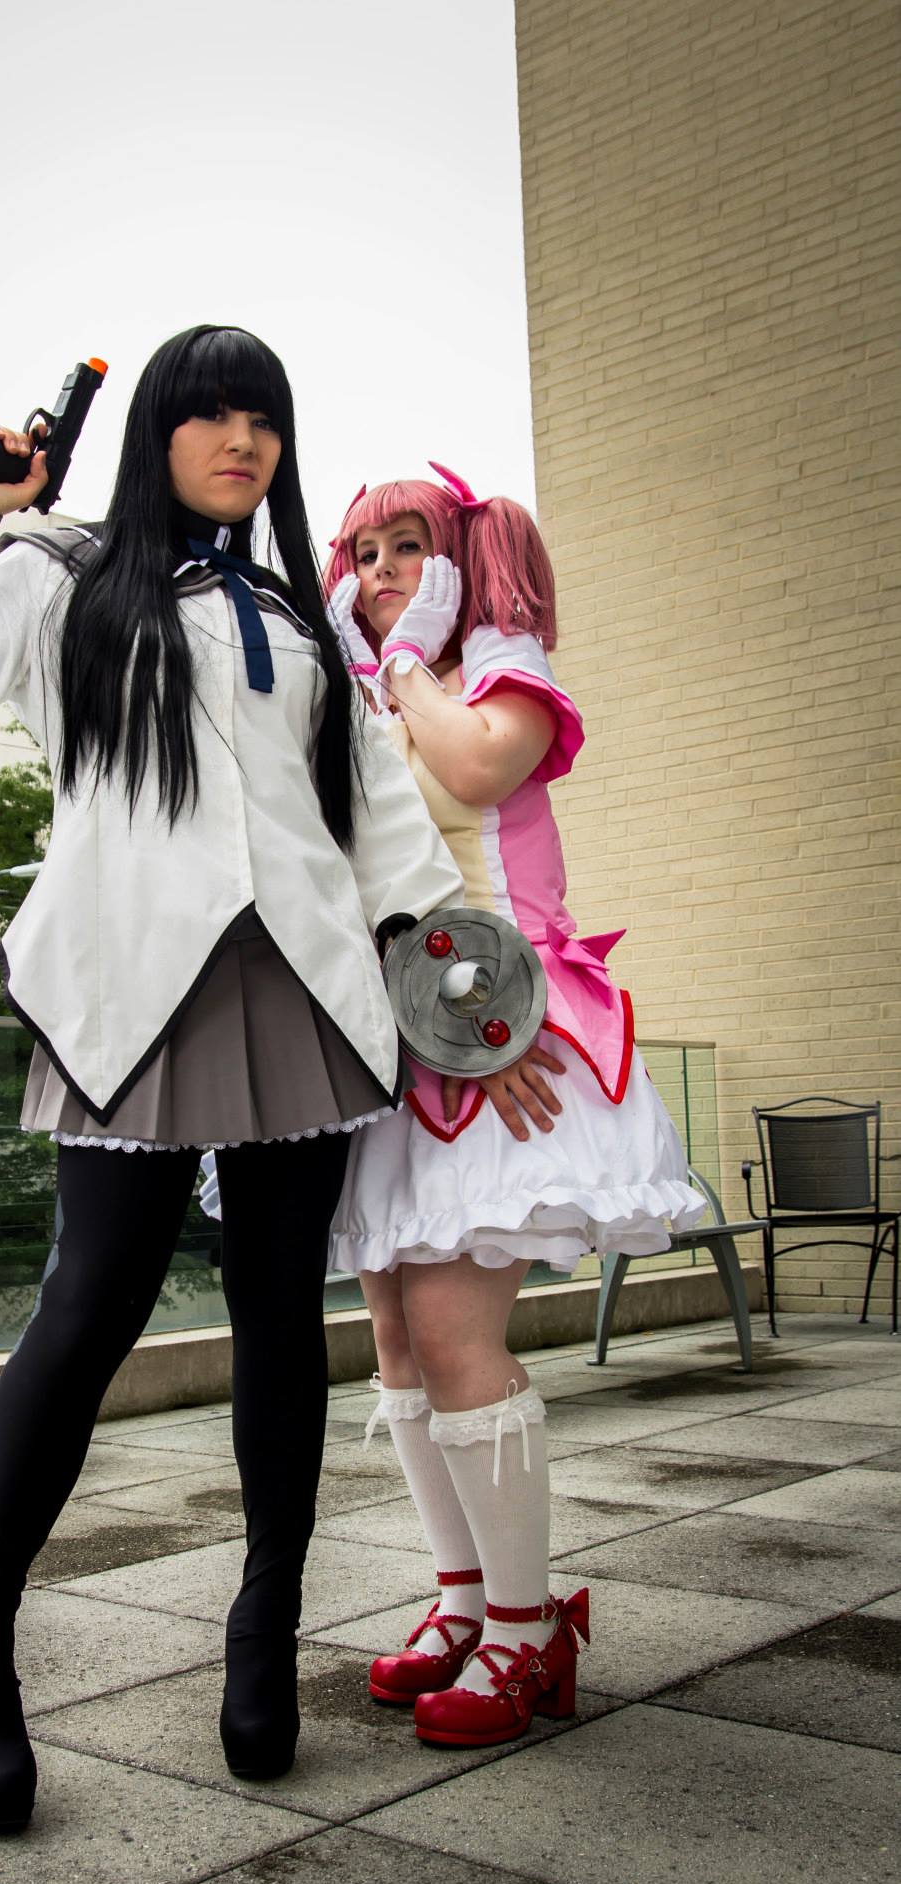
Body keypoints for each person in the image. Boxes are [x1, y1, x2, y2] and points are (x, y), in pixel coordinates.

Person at [0, 328, 466, 1829]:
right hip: (128, 983)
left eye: (263, 417)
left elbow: (375, 816)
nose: (241, 440)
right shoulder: (62, 574)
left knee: (280, 1318)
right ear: (153, 427)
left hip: (301, 983)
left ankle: (264, 1625)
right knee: (88, 1307)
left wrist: (462, 992)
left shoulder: (300, 616)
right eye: (209, 413)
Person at [321, 464, 705, 1747]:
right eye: (362, 550)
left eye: (408, 545)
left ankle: (531, 1628)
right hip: (399, 1036)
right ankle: (463, 1601)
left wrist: (409, 661)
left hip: (506, 1028)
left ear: (462, 560)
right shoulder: (360, 692)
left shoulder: (498, 675)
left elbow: (478, 770)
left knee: (449, 1331)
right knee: (394, 1335)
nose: (381, 570)